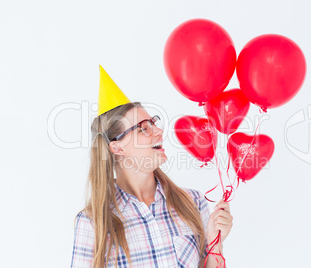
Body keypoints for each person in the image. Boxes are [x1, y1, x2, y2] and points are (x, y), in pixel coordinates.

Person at [70, 66, 233, 268]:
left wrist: (215, 244)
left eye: (153, 123)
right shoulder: (93, 222)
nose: (158, 131)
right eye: (144, 128)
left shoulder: (193, 202)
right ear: (117, 147)